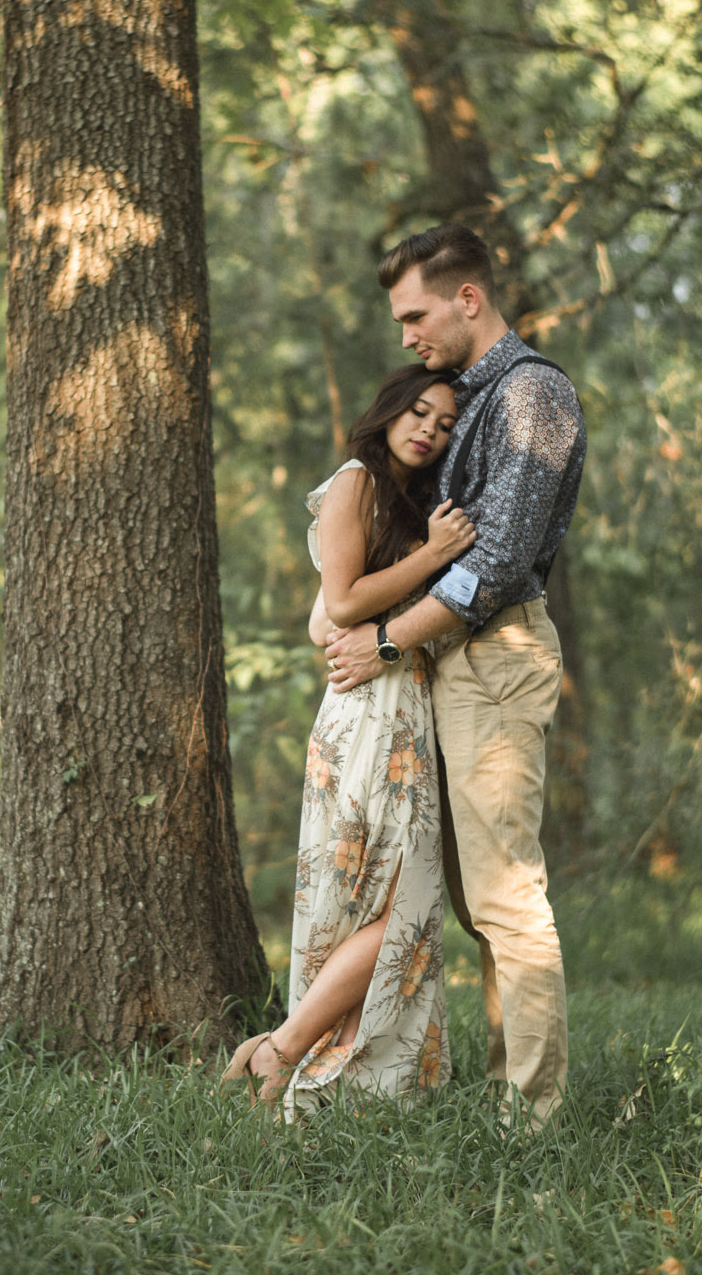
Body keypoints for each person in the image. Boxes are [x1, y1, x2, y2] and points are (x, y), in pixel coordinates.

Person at [324, 223, 586, 1126]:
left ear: (467, 298)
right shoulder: (463, 400)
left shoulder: (532, 394)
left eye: (416, 314)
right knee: (470, 899)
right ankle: (495, 1085)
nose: (406, 335)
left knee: (506, 895)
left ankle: (533, 1115)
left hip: (495, 655)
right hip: (444, 659)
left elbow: (501, 556)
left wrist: (390, 640)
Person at [220, 365, 476, 1115]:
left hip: (406, 709)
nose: (430, 428)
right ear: (390, 408)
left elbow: (327, 619)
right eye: (419, 411)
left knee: (394, 901)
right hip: (368, 715)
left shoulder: (409, 502)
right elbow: (337, 604)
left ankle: (287, 1051)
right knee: (397, 905)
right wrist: (432, 556)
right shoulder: (354, 481)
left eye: (446, 422)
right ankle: (284, 1050)